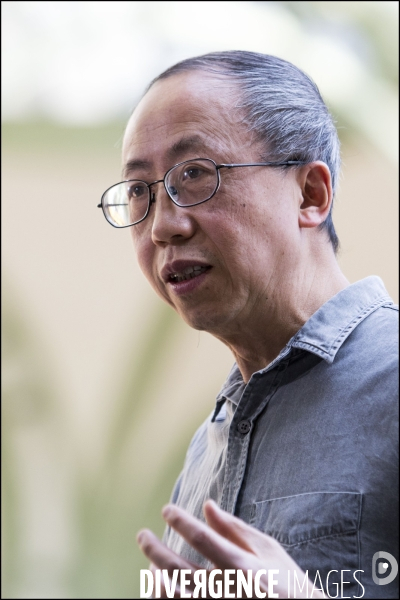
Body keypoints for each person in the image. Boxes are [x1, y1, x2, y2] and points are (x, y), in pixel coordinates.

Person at [98, 51, 398, 598]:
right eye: (141, 191)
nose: (163, 226)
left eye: (194, 175)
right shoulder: (207, 447)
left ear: (310, 194)